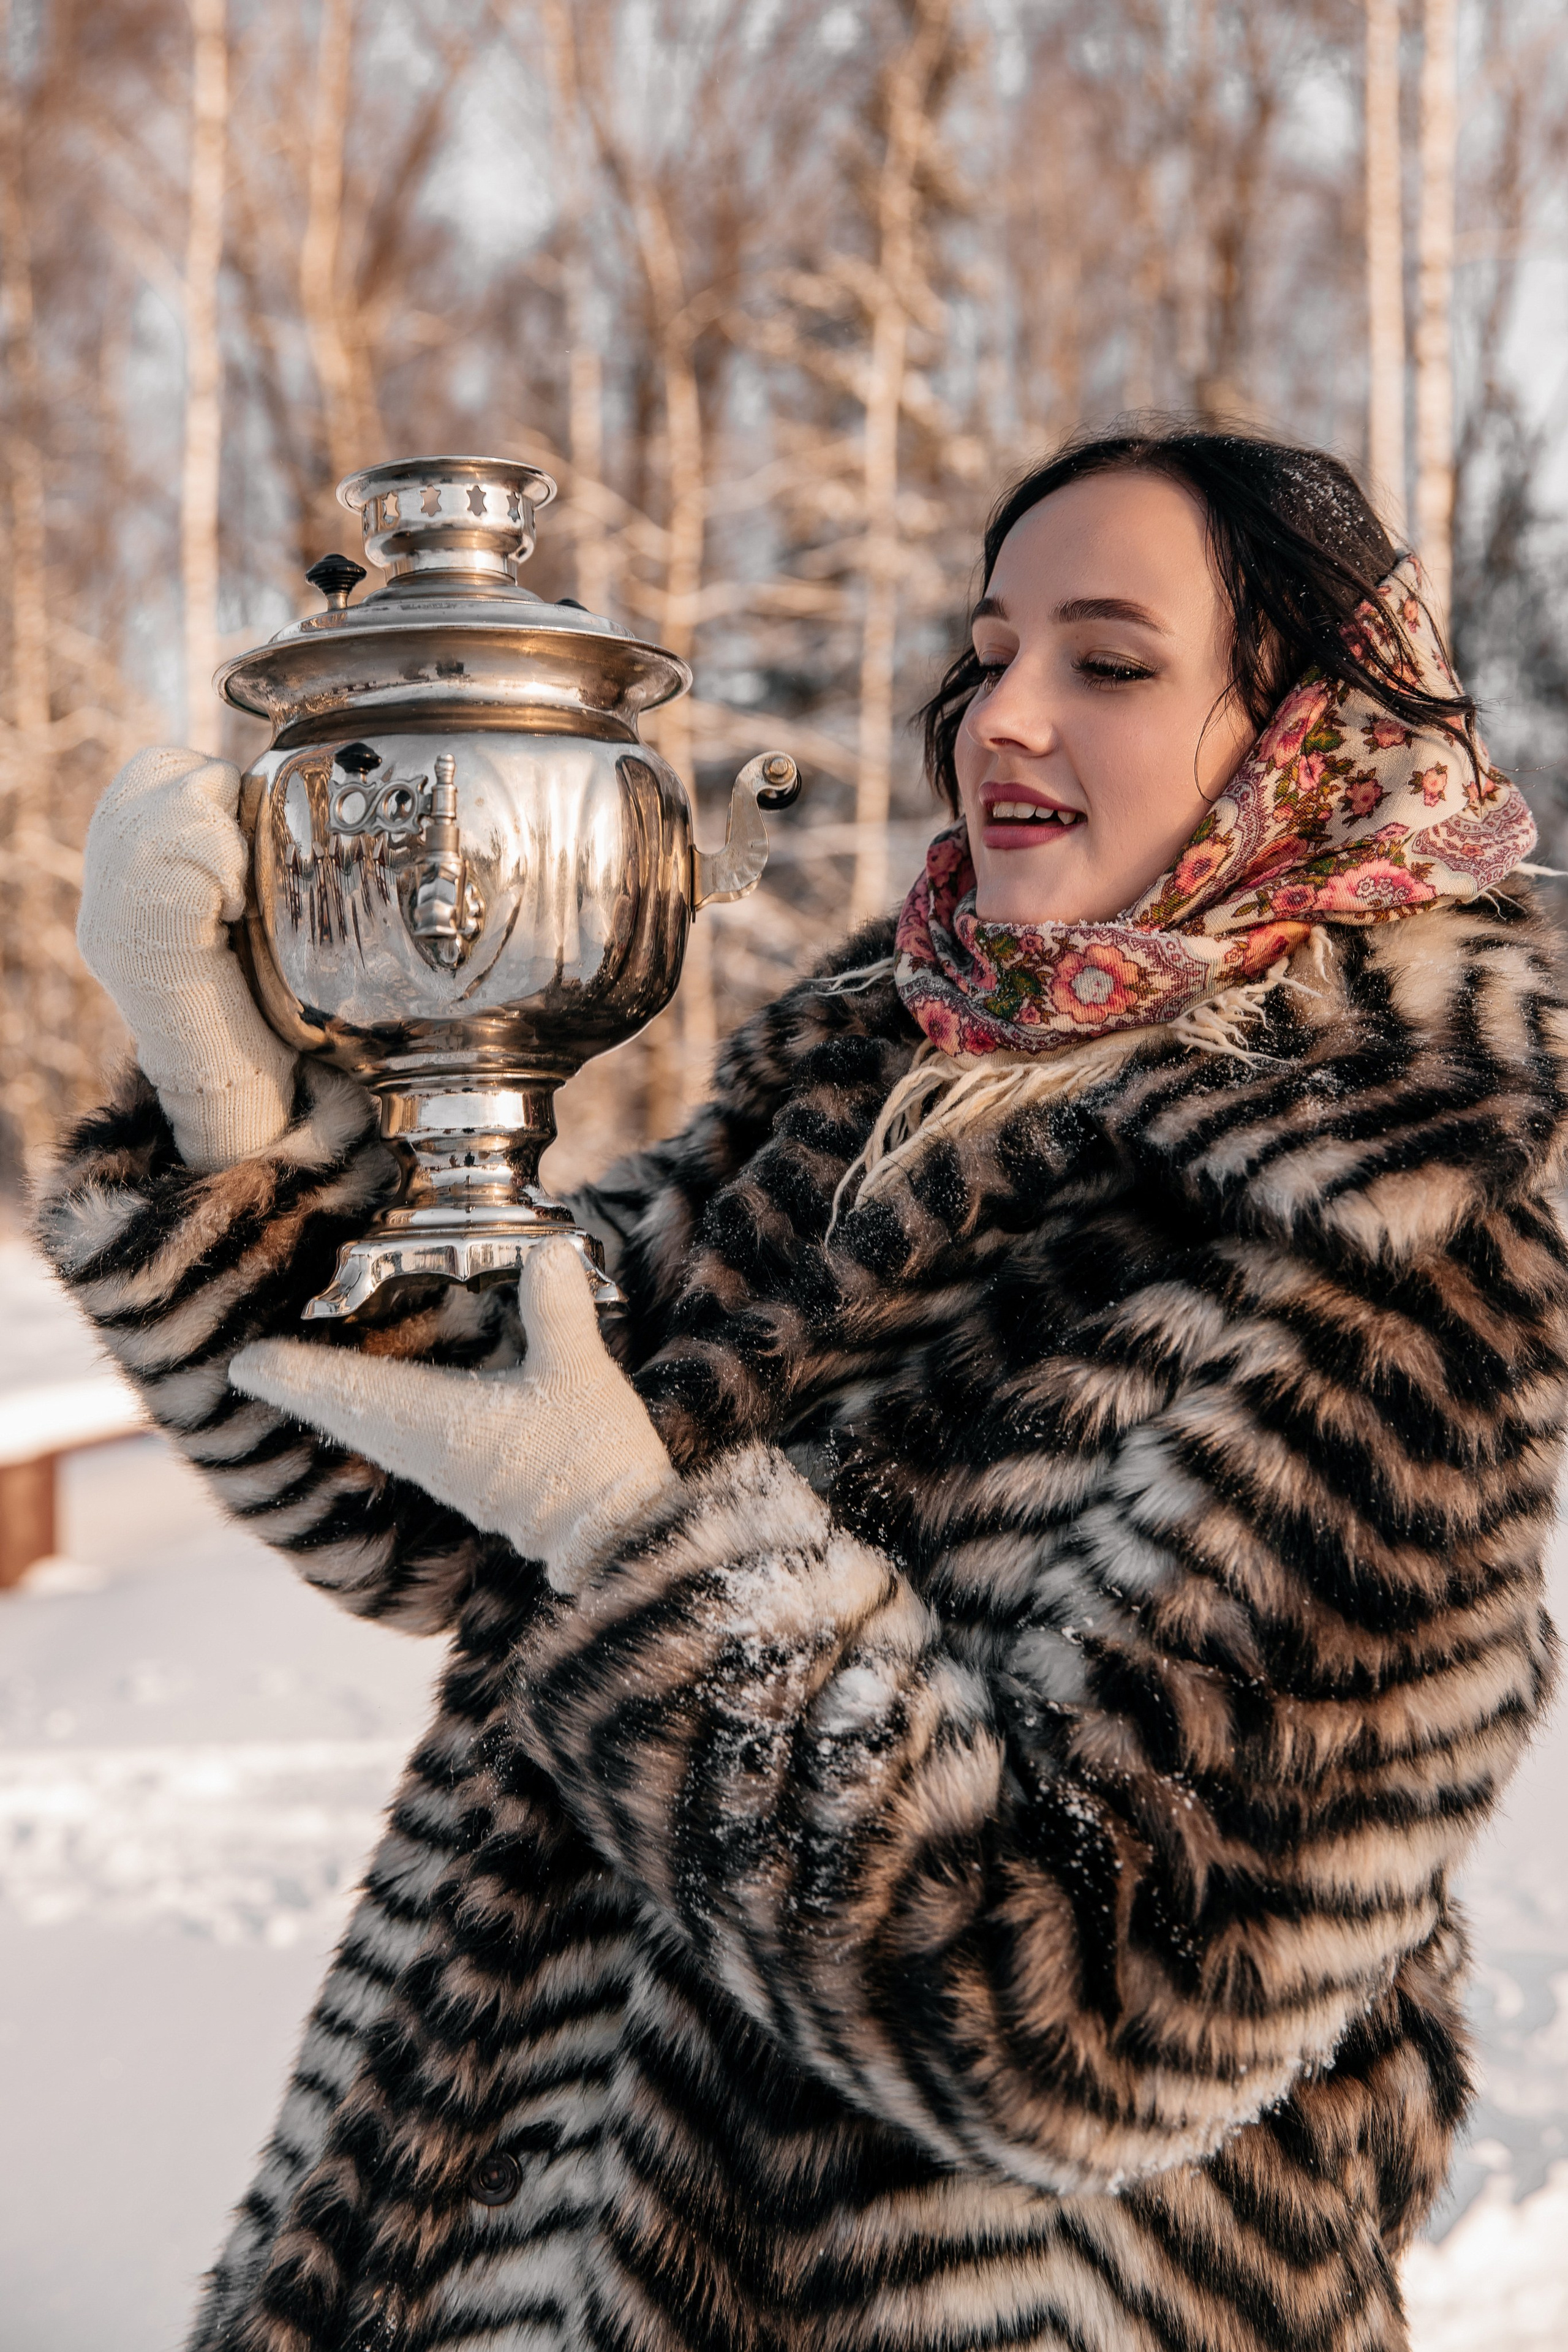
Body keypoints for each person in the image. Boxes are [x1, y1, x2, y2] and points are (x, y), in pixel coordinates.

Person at [40, 423, 1566, 2352]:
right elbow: (435, 1481)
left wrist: (651, 1551)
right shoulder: (882, 1075)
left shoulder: (1385, 1216)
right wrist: (230, 1112)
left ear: (1313, 741)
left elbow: (1101, 2020)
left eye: (1108, 662)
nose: (1002, 715)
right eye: (987, 646)